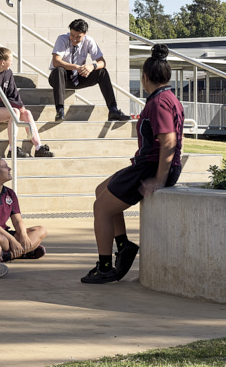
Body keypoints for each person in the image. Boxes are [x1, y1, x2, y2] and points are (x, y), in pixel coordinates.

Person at [81, 42, 183, 284]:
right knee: (101, 191)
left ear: (145, 77)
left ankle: (105, 267)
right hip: (148, 164)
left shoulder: (158, 103)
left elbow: (168, 141)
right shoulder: (169, 98)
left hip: (152, 167)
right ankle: (124, 245)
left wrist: (159, 178)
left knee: (102, 209)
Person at [0, 156, 48, 261]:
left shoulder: (10, 193)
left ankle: (9, 255)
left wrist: (23, 236)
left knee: (41, 230)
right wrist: (12, 240)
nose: (9, 169)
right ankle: (25, 251)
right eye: (5, 167)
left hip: (4, 233)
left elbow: (17, 220)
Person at [0, 46, 53, 158]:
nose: (12, 63)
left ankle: (38, 147)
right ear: (3, 62)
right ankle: (12, 149)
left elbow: (14, 94)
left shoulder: (8, 73)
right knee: (15, 112)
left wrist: (20, 106)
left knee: (26, 113)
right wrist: (16, 106)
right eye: (11, 60)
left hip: (6, 107)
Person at [50, 18, 127, 123]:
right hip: (61, 78)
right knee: (58, 70)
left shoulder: (89, 41)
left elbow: (103, 62)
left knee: (102, 72)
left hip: (79, 75)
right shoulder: (62, 39)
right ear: (70, 31)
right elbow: (56, 61)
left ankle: (113, 110)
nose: (74, 39)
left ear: (85, 34)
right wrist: (75, 67)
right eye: (72, 35)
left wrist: (92, 66)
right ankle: (60, 110)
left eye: (78, 37)